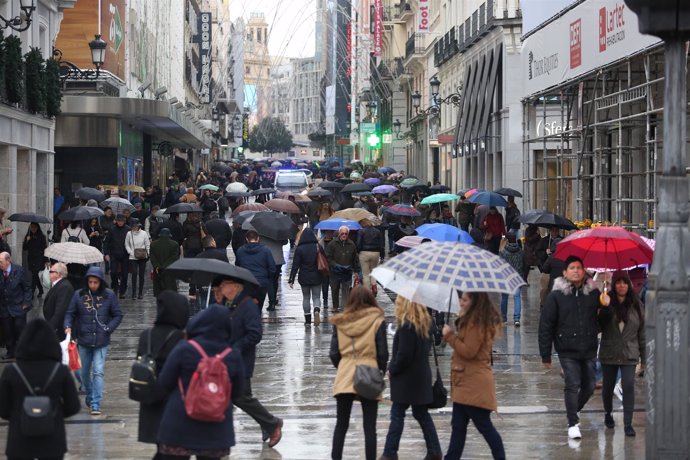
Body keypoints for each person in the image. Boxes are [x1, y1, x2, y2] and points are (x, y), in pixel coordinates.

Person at [156, 305, 245, 459]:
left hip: (179, 422)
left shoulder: (184, 348)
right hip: (216, 426)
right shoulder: (233, 355)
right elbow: (238, 393)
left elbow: (164, 382)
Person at [538, 255, 607, 440]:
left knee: (590, 385)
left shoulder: (593, 293)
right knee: (572, 383)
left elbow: (602, 321)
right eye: (572, 268)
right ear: (565, 272)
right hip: (567, 348)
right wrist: (545, 354)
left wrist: (606, 304)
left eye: (579, 267)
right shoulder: (556, 296)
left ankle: (573, 410)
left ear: (584, 271)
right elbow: (546, 325)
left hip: (589, 347)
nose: (576, 270)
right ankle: (572, 423)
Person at [214, 276, 283, 448]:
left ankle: (272, 423)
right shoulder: (228, 305)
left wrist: (235, 348)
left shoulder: (248, 306)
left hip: (241, 362)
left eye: (223, 285)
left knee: (240, 397)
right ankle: (266, 425)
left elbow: (255, 334)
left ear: (235, 286)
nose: (221, 289)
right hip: (227, 361)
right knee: (238, 397)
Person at [0, 319, 81, 460]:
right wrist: (52, 413)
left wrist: (20, 414)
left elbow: (3, 409)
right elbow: (73, 406)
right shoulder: (61, 371)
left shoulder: (11, 371)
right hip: (52, 439)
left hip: (19, 439)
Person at [442, 291, 505, 460]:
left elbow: (468, 351)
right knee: (458, 427)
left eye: (464, 300)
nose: (461, 302)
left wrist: (449, 336)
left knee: (484, 427)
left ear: (474, 302)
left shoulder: (476, 323)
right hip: (465, 383)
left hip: (473, 384)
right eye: (461, 299)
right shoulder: (470, 320)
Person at [329, 286, 388, 460]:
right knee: (370, 427)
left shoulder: (340, 322)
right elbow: (383, 353)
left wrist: (344, 365)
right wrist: (379, 371)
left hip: (346, 371)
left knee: (341, 424)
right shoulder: (377, 320)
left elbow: (333, 353)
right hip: (369, 369)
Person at [380, 297, 442, 460]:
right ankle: (434, 450)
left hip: (407, 380)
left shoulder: (407, 326)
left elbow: (404, 355)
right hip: (421, 377)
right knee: (421, 413)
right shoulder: (426, 324)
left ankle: (390, 453)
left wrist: (392, 369)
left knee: (397, 414)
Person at [64, 266, 123, 415]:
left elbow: (117, 315)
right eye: (90, 282)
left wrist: (108, 328)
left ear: (100, 282)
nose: (93, 285)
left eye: (95, 282)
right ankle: (90, 395)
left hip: (101, 341)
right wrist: (68, 326)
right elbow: (70, 313)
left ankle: (96, 403)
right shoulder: (79, 295)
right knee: (83, 373)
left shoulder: (109, 295)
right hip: (84, 340)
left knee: (98, 371)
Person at [135, 291, 188, 450]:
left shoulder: (146, 335)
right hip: (175, 400)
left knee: (161, 448)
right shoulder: (181, 337)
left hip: (151, 399)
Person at [598, 271, 645, 437]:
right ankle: (608, 413)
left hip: (629, 353)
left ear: (629, 284)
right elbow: (598, 327)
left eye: (625, 282)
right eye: (618, 282)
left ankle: (628, 423)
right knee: (608, 387)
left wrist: (644, 358)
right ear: (613, 284)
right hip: (609, 351)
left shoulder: (637, 305)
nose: (622, 285)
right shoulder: (606, 301)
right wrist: (604, 308)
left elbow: (642, 333)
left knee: (628, 385)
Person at [288, 228, 324, 325]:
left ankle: (308, 320)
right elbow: (324, 261)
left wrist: (291, 279)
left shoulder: (299, 249)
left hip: (304, 277)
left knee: (306, 298)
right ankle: (316, 310)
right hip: (317, 276)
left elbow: (295, 265)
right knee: (316, 297)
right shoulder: (318, 246)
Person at [1, 251, 33, 361]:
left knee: (20, 329)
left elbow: (27, 288)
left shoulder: (19, 271)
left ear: (8, 261)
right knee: (8, 331)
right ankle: (11, 352)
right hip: (5, 308)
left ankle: (23, 351)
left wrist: (26, 303)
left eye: (1, 262)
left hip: (18, 306)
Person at [235, 230, 276, 311]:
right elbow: (272, 268)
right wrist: (267, 278)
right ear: (258, 238)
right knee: (259, 307)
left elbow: (237, 266)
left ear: (247, 239)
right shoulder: (266, 250)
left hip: (246, 282)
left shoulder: (240, 250)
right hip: (261, 282)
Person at [325, 226, 359, 312]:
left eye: (346, 234)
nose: (344, 235)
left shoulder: (351, 244)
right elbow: (328, 257)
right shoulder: (332, 244)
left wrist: (356, 271)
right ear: (339, 234)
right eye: (342, 233)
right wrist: (334, 265)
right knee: (334, 289)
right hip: (335, 271)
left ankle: (345, 307)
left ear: (348, 234)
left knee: (346, 290)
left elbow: (355, 258)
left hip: (347, 271)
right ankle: (335, 306)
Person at [43, 262, 74, 341]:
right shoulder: (59, 285)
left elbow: (60, 311)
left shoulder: (64, 287)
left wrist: (51, 327)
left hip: (59, 330)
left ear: (58, 274)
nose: (49, 273)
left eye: (51, 271)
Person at [499, 232, 524, 326]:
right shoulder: (520, 251)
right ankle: (517, 319)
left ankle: (504, 318)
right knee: (517, 297)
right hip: (517, 277)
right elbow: (524, 264)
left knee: (504, 298)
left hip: (506, 277)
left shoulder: (503, 251)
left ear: (507, 240)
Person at [103, 214, 131, 299]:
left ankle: (122, 292)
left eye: (122, 221)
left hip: (125, 254)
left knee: (125, 274)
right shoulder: (112, 229)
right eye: (119, 221)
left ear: (124, 221)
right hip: (114, 253)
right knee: (113, 272)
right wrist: (106, 253)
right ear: (116, 221)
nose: (120, 222)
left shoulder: (128, 229)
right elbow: (106, 242)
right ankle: (115, 286)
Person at [150, 228, 181, 297]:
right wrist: (164, 266)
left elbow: (152, 257)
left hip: (157, 270)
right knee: (170, 288)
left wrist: (157, 266)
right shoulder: (174, 244)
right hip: (169, 270)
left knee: (159, 289)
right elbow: (174, 257)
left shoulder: (153, 244)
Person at [125, 218, 151, 300]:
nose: (135, 227)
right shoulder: (129, 233)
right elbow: (126, 244)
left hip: (143, 256)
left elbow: (147, 244)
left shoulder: (144, 233)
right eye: (133, 226)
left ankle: (140, 293)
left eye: (136, 226)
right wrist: (130, 252)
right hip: (133, 257)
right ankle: (133, 293)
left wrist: (148, 253)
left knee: (142, 275)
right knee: (134, 274)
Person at [356, 224, 384, 293]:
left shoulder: (361, 231)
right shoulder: (377, 231)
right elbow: (381, 244)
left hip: (364, 253)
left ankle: (367, 292)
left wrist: (358, 252)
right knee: (373, 272)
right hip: (375, 253)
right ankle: (374, 287)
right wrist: (382, 255)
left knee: (365, 274)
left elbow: (358, 244)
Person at [22, 222, 48, 299]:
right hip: (31, 259)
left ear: (37, 228)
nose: (33, 229)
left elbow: (44, 249)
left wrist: (46, 260)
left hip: (39, 259)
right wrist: (27, 241)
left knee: (34, 275)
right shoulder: (28, 236)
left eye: (34, 227)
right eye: (32, 227)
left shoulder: (42, 237)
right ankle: (40, 289)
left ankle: (31, 293)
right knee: (35, 275)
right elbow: (25, 248)